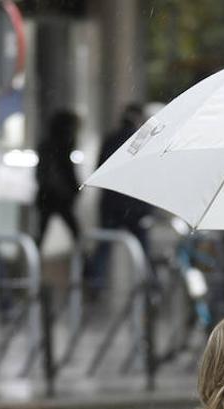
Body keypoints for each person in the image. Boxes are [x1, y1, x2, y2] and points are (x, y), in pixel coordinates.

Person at [89, 103, 154, 291]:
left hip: (112, 204)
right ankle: (149, 286)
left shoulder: (110, 139)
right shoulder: (141, 140)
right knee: (142, 251)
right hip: (135, 206)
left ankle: (95, 283)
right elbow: (146, 173)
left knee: (104, 247)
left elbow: (99, 170)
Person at [34, 109, 81, 251]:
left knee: (41, 233)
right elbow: (67, 171)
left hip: (47, 196)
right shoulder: (62, 146)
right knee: (76, 233)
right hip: (58, 196)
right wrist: (74, 189)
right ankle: (86, 265)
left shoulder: (47, 146)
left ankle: (31, 263)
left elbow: (41, 173)